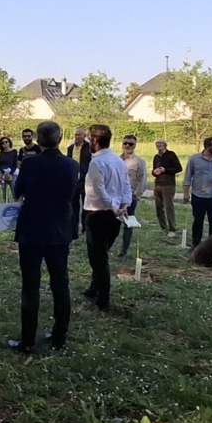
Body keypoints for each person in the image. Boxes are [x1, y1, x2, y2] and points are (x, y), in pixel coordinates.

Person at [6, 121, 79, 353]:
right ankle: (60, 336)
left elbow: (19, 191)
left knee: (30, 285)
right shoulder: (72, 165)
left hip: (32, 229)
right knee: (60, 283)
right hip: (59, 230)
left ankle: (28, 340)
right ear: (60, 138)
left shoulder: (30, 163)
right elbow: (71, 194)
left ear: (37, 139)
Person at [81, 124, 131, 312]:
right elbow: (126, 185)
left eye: (89, 139)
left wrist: (113, 207)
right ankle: (93, 290)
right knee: (102, 254)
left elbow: (99, 190)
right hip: (114, 215)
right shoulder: (118, 160)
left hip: (99, 214)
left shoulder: (97, 162)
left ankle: (103, 301)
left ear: (95, 141)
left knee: (99, 259)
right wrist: (124, 204)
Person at [117, 134, 147, 259]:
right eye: (125, 143)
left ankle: (124, 251)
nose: (127, 146)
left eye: (131, 144)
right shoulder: (116, 159)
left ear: (135, 146)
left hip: (130, 197)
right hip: (115, 196)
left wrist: (136, 195)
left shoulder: (139, 161)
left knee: (128, 224)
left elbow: (142, 180)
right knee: (112, 223)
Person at [150, 139, 182, 238]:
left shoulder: (171, 154)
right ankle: (163, 227)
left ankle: (172, 229)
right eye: (157, 143)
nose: (158, 145)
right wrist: (154, 172)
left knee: (168, 207)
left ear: (165, 145)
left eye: (160, 143)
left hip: (168, 184)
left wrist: (165, 170)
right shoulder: (156, 157)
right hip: (158, 184)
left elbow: (178, 168)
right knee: (158, 207)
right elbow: (154, 170)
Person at [65, 128, 93, 232]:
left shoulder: (89, 148)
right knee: (74, 205)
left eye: (79, 135)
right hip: (74, 180)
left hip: (86, 180)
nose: (77, 137)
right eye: (76, 135)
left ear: (84, 136)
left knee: (86, 205)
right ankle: (74, 227)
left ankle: (85, 227)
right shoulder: (70, 148)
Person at [0, 136, 18, 201]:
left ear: (9, 142)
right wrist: (4, 173)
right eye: (2, 143)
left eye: (6, 142)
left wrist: (10, 174)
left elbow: (15, 165)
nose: (5, 143)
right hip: (2, 174)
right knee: (4, 193)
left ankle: (17, 204)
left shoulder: (14, 152)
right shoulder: (1, 153)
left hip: (12, 174)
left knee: (15, 192)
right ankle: (6, 204)